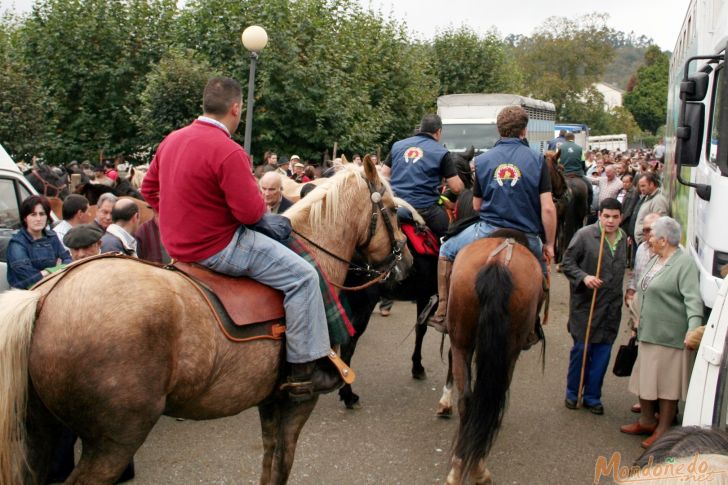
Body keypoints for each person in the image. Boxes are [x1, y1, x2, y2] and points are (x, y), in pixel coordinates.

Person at [140, 76, 340, 400]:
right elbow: (250, 214)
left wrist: (176, 219)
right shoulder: (228, 151)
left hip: (175, 245)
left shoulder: (171, 140)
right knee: (303, 276)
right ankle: (304, 369)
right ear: (236, 108)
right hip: (220, 247)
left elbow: (148, 189)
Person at [427, 106, 557, 331]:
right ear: (524, 131)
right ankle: (531, 325)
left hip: (488, 228)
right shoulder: (537, 160)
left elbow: (476, 204)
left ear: (499, 130)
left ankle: (442, 311)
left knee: (446, 250)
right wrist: (550, 244)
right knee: (542, 276)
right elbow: (547, 209)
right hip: (526, 233)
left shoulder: (483, 160)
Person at [621, 217, 703, 449]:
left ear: (664, 240)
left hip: (670, 335)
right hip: (648, 330)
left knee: (667, 385)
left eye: (652, 235)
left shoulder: (683, 263)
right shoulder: (656, 258)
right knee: (645, 378)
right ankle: (647, 421)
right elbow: (644, 287)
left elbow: (692, 300)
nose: (649, 238)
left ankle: (664, 428)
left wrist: (692, 330)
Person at [562, 198, 627, 415]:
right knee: (582, 350)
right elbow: (567, 263)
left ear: (621, 218)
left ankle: (592, 396)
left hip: (611, 307)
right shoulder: (585, 235)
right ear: (599, 215)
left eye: (615, 217)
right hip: (586, 304)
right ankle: (572, 392)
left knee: (603, 353)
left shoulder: (623, 237)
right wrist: (584, 277)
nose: (610, 221)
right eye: (606, 216)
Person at [381, 114, 464, 240]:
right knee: (451, 239)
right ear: (438, 131)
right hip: (425, 210)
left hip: (397, 206)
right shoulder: (441, 152)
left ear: (421, 129)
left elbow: (384, 175)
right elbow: (457, 188)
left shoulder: (397, 146)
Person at [6, 195, 71, 289]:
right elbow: (28, 276)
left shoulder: (52, 237)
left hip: (51, 286)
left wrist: (49, 271)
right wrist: (53, 271)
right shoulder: (17, 243)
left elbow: (67, 260)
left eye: (42, 214)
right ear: (25, 218)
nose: (38, 219)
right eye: (33, 214)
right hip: (23, 293)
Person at [558, 132, 593, 207]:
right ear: (574, 138)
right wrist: (584, 171)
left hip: (564, 175)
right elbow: (583, 163)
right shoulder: (580, 148)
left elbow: (557, 162)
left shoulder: (560, 148)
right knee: (590, 188)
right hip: (578, 174)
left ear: (565, 139)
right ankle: (590, 208)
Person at [633, 172, 669, 245]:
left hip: (648, 243)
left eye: (643, 186)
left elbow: (660, 225)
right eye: (640, 186)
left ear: (652, 184)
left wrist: (649, 242)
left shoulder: (658, 200)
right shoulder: (647, 197)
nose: (641, 189)